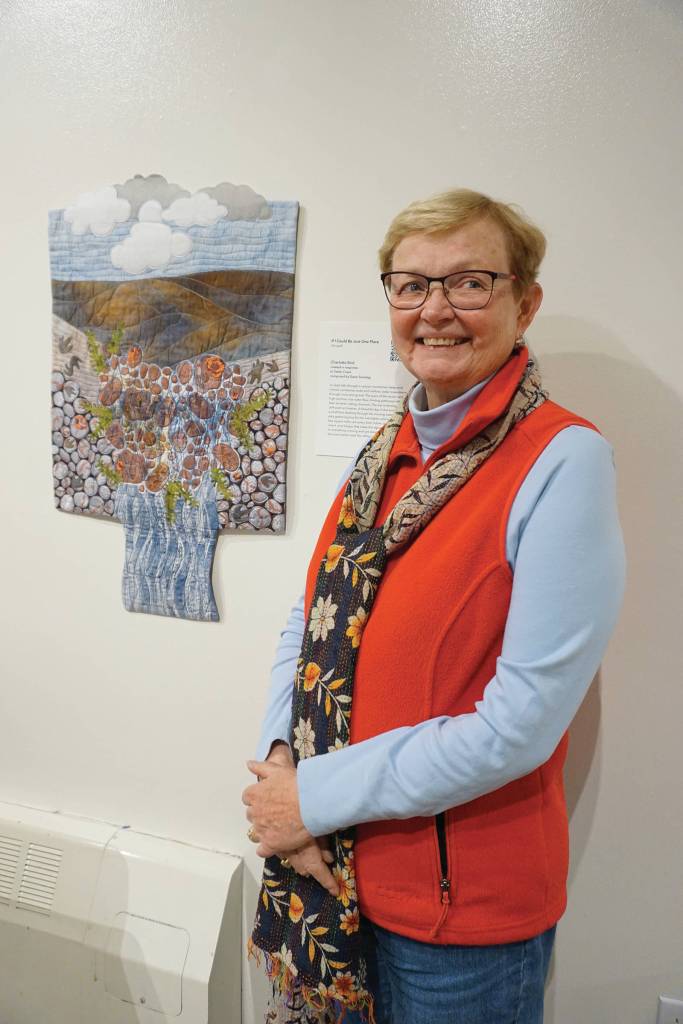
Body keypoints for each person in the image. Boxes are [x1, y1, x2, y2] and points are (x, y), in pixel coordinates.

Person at [242, 188, 625, 1024]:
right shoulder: (382, 453)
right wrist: (280, 766)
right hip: (325, 869)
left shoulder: (561, 461)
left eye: (469, 283)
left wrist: (313, 796)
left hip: (457, 921)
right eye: (410, 285)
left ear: (524, 302)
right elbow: (305, 625)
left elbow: (518, 724)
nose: (435, 310)